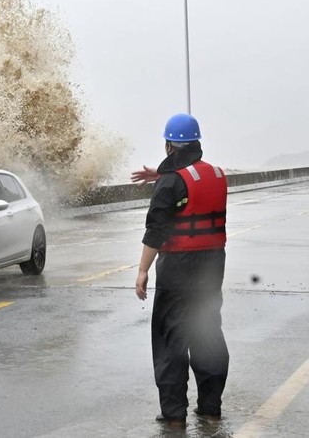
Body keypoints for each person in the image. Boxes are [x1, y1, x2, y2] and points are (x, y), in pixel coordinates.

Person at [133, 113, 230, 427]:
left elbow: (156, 231)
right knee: (207, 331)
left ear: (168, 145)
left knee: (171, 337)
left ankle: (174, 416)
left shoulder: (172, 182)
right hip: (213, 265)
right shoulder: (217, 174)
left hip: (178, 268)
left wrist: (143, 271)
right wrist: (162, 177)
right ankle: (210, 407)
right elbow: (190, 184)